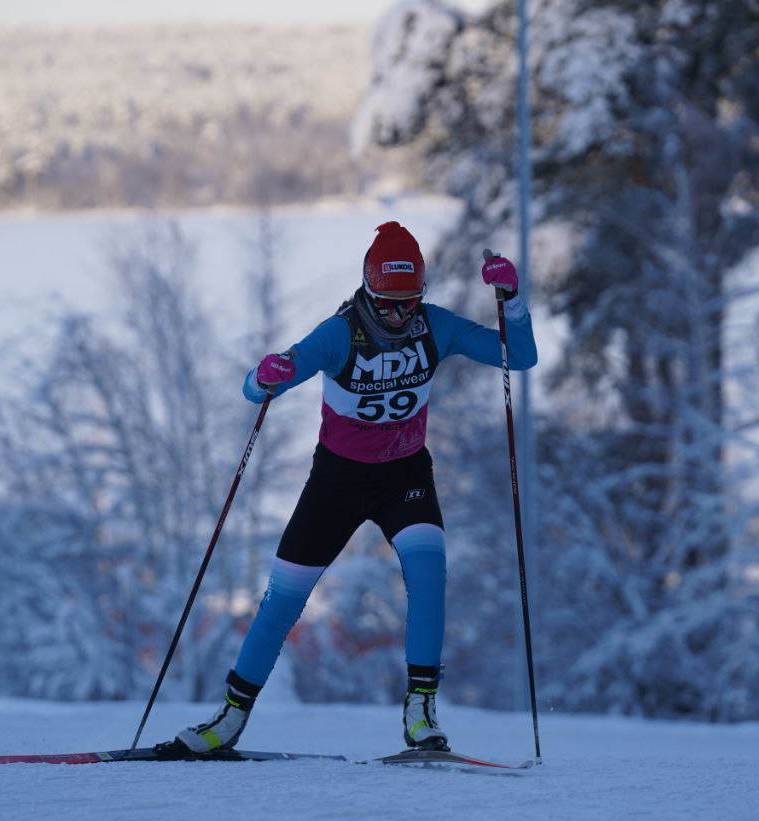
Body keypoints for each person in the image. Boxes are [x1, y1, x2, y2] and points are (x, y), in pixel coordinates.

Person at [157, 221, 536, 757]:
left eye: (410, 302)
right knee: (282, 599)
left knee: (430, 574)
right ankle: (230, 719)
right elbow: (256, 387)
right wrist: (265, 376)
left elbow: (518, 358)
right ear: (366, 290)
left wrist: (511, 301)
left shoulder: (436, 327)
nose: (399, 316)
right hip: (337, 482)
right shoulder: (339, 334)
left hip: (405, 475)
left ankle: (420, 712)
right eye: (387, 304)